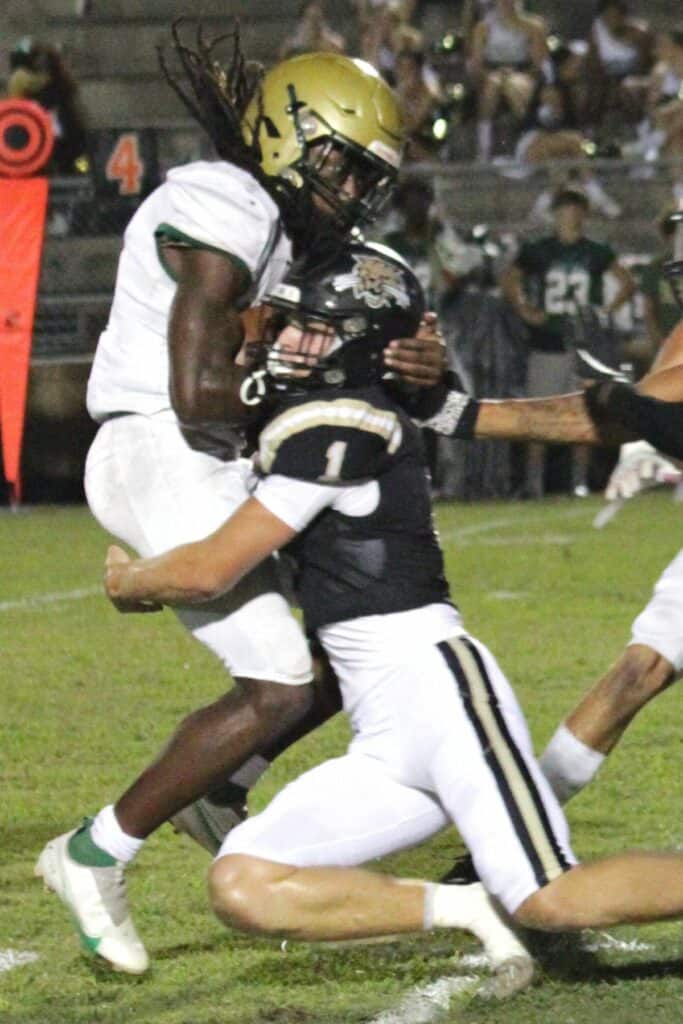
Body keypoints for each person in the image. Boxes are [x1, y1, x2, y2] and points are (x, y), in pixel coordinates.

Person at [100, 243, 683, 997]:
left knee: (551, 896)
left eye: (310, 329)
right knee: (242, 882)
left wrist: (131, 579)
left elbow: (211, 566)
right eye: (290, 326)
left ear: (353, 345)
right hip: (383, 729)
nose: (283, 342)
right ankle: (466, 906)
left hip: (440, 696)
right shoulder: (325, 412)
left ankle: (511, 891)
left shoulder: (341, 427)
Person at [34, 29, 446, 976]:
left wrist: (406, 367)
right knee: (281, 684)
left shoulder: (280, 227)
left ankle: (220, 791)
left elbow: (287, 372)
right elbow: (197, 392)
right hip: (157, 445)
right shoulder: (221, 202)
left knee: (360, 628)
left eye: (364, 176)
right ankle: (97, 850)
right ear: (290, 137)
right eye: (341, 164)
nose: (351, 191)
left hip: (216, 457)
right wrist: (329, 386)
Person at [501, 187, 635, 497]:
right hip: (547, 341)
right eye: (564, 210)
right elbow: (510, 277)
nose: (569, 217)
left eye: (574, 210)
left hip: (583, 343)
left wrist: (606, 311)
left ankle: (579, 482)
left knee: (582, 414)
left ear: (583, 215)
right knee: (540, 414)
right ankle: (534, 483)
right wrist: (523, 307)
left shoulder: (596, 252)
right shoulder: (539, 250)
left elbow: (627, 281)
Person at [467, 0, 549, 162]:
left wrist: (513, 74)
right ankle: (484, 149)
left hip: (523, 72)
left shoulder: (534, 26)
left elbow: (539, 63)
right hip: (493, 73)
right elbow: (477, 64)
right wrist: (498, 73)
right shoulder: (483, 28)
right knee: (493, 85)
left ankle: (528, 142)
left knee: (515, 86)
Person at [6, 37, 88, 175]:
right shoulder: (23, 78)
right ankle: (78, 171)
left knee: (74, 155)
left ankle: (80, 171)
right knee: (69, 154)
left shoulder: (44, 80)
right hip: (35, 127)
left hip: (51, 127)